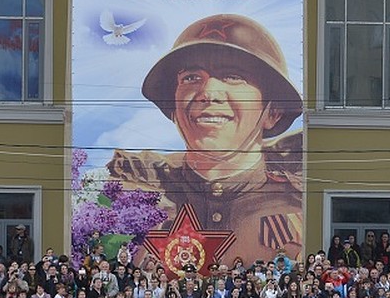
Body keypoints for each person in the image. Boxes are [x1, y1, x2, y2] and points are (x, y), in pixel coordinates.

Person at [106, 14, 305, 264]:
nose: (208, 93)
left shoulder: (299, 207)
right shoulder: (137, 200)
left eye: (234, 76)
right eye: (190, 78)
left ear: (273, 112)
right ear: (174, 109)